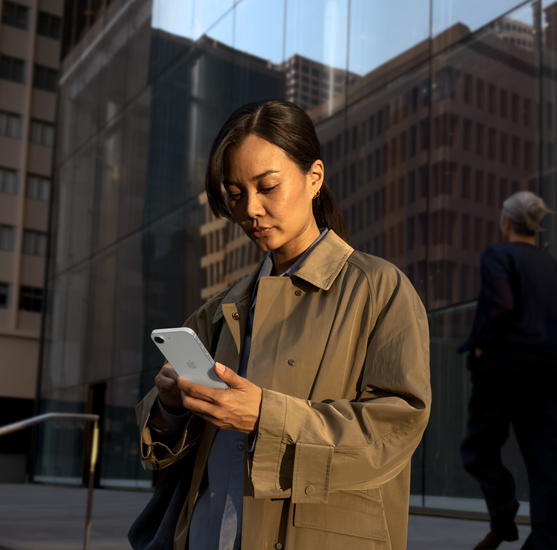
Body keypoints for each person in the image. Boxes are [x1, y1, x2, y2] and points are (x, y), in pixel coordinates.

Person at [133, 100, 432, 550]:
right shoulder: (218, 311)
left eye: (267, 186)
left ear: (314, 178)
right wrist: (173, 406)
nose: (249, 209)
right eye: (234, 194)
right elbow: (174, 453)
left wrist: (265, 416)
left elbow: (395, 429)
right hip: (208, 533)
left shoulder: (379, 288)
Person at [458, 191, 557, 550]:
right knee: (553, 460)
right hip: (553, 366)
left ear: (506, 222)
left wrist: (480, 344)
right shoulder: (552, 266)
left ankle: (503, 516)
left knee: (479, 446)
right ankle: (551, 543)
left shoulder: (498, 254)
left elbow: (502, 303)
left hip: (506, 360)